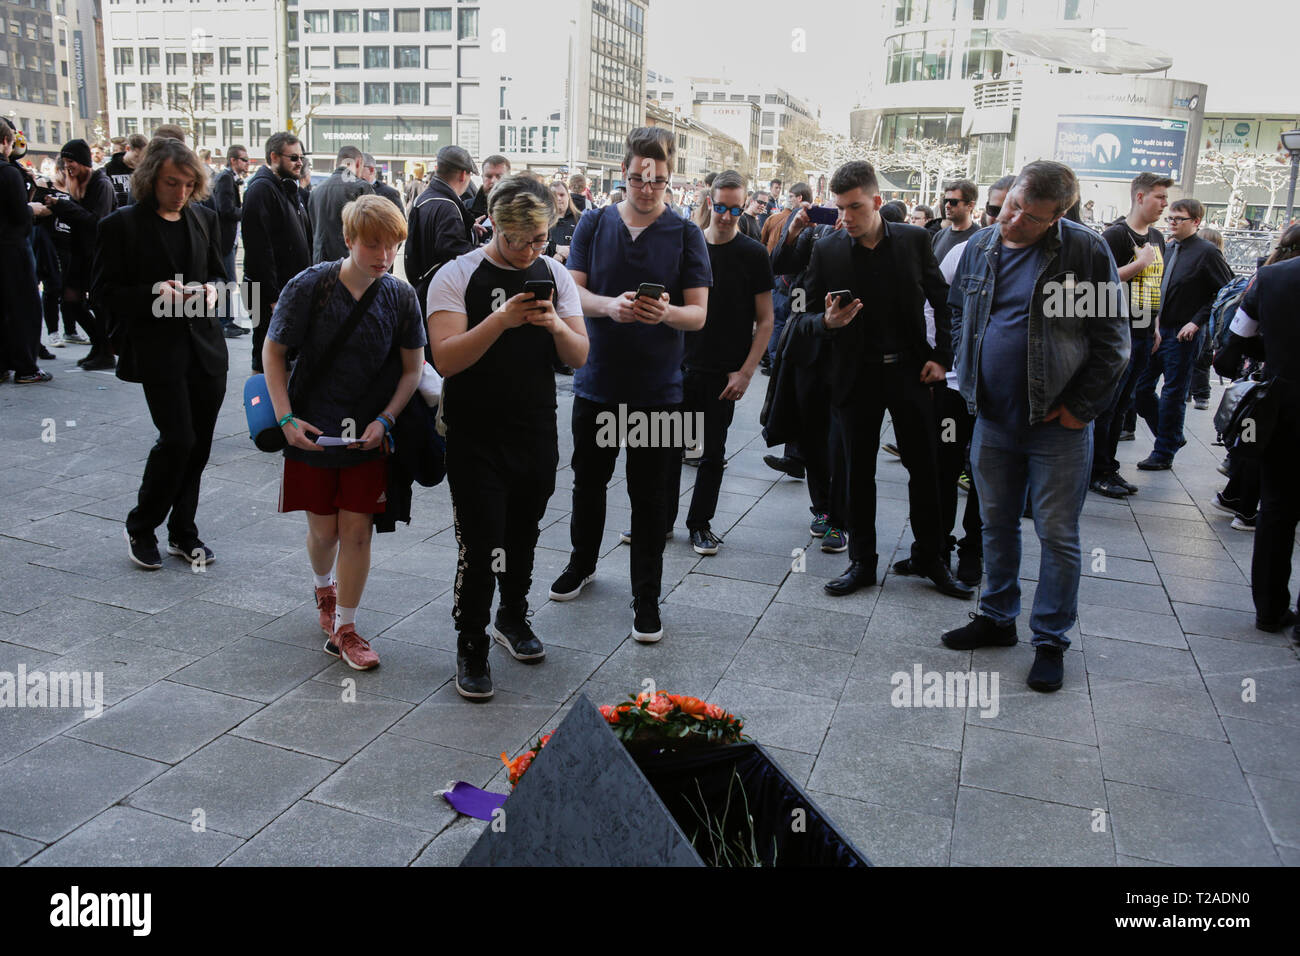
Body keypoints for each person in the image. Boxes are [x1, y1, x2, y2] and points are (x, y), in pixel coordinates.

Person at [942, 161, 1129, 693]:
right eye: (1012, 204)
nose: (1013, 219)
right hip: (992, 418)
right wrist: (968, 370)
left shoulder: (1084, 251)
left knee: (1057, 534)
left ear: (1057, 218)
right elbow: (959, 312)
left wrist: (1077, 409)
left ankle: (1049, 639)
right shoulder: (981, 244)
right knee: (995, 524)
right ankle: (998, 618)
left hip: (1058, 428)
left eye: (1030, 215)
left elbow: (1113, 340)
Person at [777, 160, 970, 600]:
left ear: (877, 202)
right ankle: (862, 561)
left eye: (855, 208)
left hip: (910, 371)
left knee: (926, 469)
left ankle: (932, 556)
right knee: (856, 472)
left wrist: (942, 358)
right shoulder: (827, 250)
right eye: (839, 209)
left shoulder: (916, 240)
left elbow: (945, 303)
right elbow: (800, 316)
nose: (845, 218)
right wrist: (825, 323)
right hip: (853, 374)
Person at [427, 175, 588, 698]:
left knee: (523, 533)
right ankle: (470, 639)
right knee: (479, 541)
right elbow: (447, 358)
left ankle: (512, 617)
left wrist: (553, 326)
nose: (527, 251)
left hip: (535, 427)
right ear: (493, 224)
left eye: (538, 240)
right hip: (474, 430)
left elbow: (579, 355)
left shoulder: (555, 275)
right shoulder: (456, 274)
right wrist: (500, 319)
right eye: (517, 240)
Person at [548, 126, 711, 643]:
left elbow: (699, 315)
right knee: (588, 481)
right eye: (642, 178)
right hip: (596, 381)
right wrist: (609, 306)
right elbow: (572, 294)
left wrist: (665, 313)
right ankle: (582, 563)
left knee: (650, 496)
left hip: (658, 390)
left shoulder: (684, 233)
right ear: (625, 172)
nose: (649, 188)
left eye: (659, 181)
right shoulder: (594, 224)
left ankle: (646, 597)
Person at [263, 195, 426, 671]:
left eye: (393, 246)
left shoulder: (400, 295)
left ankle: (347, 629)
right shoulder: (311, 285)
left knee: (357, 531)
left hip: (368, 435)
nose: (384, 256)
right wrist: (286, 418)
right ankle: (323, 589)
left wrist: (387, 420)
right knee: (323, 529)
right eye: (373, 245)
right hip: (312, 428)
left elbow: (412, 369)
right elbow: (274, 352)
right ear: (349, 239)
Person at [91, 137, 228, 568]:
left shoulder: (204, 218)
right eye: (172, 182)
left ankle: (183, 531)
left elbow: (223, 281)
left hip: (206, 350)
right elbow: (103, 293)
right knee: (178, 439)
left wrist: (210, 290)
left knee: (200, 445)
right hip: (157, 351)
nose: (181, 192)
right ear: (151, 178)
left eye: (189, 183)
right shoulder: (121, 225)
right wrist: (154, 293)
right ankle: (142, 525)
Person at [666, 170, 774, 555]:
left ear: (743, 207)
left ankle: (700, 524)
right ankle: (660, 522)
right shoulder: (688, 245)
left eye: (735, 208)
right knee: (665, 448)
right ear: (710, 201)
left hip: (723, 372)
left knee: (712, 453)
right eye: (721, 206)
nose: (727, 215)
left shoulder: (753, 253)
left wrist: (746, 371)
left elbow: (766, 320)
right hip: (679, 367)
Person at [1133, 198, 1233, 470]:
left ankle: (1164, 451)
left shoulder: (1207, 253)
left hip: (1183, 333)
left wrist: (1196, 321)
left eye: (1179, 219)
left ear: (1196, 222)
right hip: (1157, 329)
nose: (1172, 223)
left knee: (1173, 393)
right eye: (1170, 218)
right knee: (1139, 389)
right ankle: (1172, 437)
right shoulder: (1167, 247)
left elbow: (1226, 292)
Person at [1234, 231, 1300, 638]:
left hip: (1284, 407)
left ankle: (1270, 609)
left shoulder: (1272, 278)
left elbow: (1236, 340)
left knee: (1276, 509)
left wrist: (1275, 358)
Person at [1090, 172, 1170, 497]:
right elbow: (1099, 284)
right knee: (1107, 406)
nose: (1165, 204)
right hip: (1117, 333)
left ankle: (1110, 467)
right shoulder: (1115, 235)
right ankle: (1097, 471)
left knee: (1124, 405)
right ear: (1140, 197)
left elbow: (1155, 286)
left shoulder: (1158, 238)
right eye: (1159, 197)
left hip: (1143, 333)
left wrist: (1156, 327)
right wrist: (1138, 265)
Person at [39, 139, 116, 370]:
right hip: (79, 253)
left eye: (70, 161)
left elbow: (96, 221)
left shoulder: (101, 184)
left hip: (98, 255)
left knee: (97, 304)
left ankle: (104, 351)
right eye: (64, 162)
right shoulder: (76, 183)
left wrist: (62, 206)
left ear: (83, 162)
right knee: (70, 301)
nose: (67, 166)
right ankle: (99, 345)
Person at [241, 132, 311, 373]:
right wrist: (273, 298)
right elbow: (259, 249)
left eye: (301, 157)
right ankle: (262, 406)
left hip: (287, 290)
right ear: (273, 157)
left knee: (285, 354)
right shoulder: (261, 190)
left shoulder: (287, 188)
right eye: (293, 157)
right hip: (268, 294)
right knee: (266, 354)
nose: (299, 162)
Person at [0, 119, 50, 383]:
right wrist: (35, 208)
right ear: (7, 141)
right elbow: (20, 215)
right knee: (24, 307)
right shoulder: (8, 173)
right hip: (12, 248)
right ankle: (26, 367)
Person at [404, 144, 478, 307]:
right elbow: (453, 251)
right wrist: (484, 251)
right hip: (442, 296)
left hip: (423, 289)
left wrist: (470, 227)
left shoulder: (424, 198)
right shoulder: (447, 207)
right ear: (463, 175)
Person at [211, 144, 250, 338]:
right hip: (225, 240)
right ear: (233, 160)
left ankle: (227, 320)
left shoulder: (230, 179)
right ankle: (224, 321)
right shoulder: (225, 178)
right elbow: (224, 209)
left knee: (228, 280)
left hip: (229, 239)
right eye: (243, 159)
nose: (247, 163)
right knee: (228, 281)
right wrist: (246, 212)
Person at [309, 146, 374, 263]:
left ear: (337, 163)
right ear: (358, 163)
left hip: (320, 264)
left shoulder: (316, 191)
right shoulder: (362, 187)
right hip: (351, 265)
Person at [1188, 226, 1226, 409]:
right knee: (1202, 358)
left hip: (1199, 318)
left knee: (1198, 356)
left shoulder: (1206, 260)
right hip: (1206, 319)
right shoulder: (1218, 261)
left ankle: (1196, 393)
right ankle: (1200, 394)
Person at [931, 179, 979, 262]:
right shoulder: (939, 236)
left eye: (953, 202)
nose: (947, 205)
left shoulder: (979, 239)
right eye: (945, 201)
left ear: (970, 205)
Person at [467, 154, 510, 240]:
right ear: (482, 177)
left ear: (509, 178)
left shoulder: (521, 210)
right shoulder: (466, 209)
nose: (493, 181)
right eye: (489, 176)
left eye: (499, 176)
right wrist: (468, 230)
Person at [103, 133, 147, 208]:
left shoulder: (144, 169)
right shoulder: (109, 168)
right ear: (128, 149)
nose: (139, 160)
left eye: (142, 157)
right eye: (136, 156)